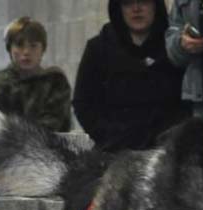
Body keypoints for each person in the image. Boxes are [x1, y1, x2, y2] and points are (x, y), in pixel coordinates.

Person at [73, 0, 188, 152]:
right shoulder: (98, 49)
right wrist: (113, 138)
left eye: (144, 2)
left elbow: (186, 104)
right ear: (118, 7)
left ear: (156, 6)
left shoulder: (174, 50)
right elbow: (84, 104)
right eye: (128, 3)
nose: (136, 9)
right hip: (112, 151)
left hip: (165, 151)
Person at [0, 16, 71, 132]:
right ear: (10, 49)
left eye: (33, 46)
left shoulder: (54, 81)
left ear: (43, 49)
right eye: (19, 45)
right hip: (1, 147)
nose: (26, 52)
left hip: (43, 147)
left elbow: (52, 123)